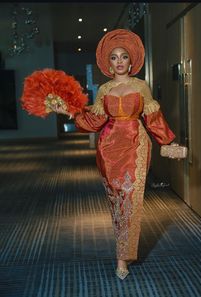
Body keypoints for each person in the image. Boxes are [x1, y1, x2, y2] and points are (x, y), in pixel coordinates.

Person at [52, 29, 176, 280]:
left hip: (135, 145)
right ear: (108, 63)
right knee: (117, 202)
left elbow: (153, 117)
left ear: (132, 61)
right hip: (108, 148)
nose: (119, 61)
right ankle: (123, 250)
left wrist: (167, 141)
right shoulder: (104, 89)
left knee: (131, 200)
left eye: (123, 57)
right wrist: (68, 111)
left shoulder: (141, 86)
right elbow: (94, 121)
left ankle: (122, 258)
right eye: (114, 57)